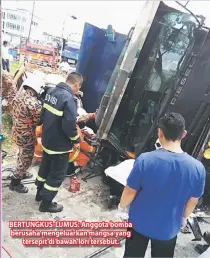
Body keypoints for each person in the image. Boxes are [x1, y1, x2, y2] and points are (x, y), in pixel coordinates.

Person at [119, 113, 206, 258]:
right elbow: (193, 200)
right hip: (168, 228)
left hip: (138, 223)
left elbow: (129, 191)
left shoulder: (145, 160)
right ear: (183, 134)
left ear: (160, 132)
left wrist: (121, 207)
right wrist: (184, 218)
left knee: (132, 255)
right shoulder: (197, 168)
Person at [35, 72, 83, 213]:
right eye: (79, 87)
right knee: (56, 174)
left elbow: (42, 114)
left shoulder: (51, 91)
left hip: (47, 139)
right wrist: (76, 140)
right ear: (77, 84)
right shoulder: (69, 99)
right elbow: (69, 124)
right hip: (60, 145)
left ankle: (39, 194)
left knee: (45, 167)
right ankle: (46, 203)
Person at [8, 74, 43, 193]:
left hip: (17, 131)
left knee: (21, 154)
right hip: (26, 136)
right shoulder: (34, 103)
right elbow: (39, 121)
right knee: (27, 158)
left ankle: (20, 171)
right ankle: (15, 182)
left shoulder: (18, 97)